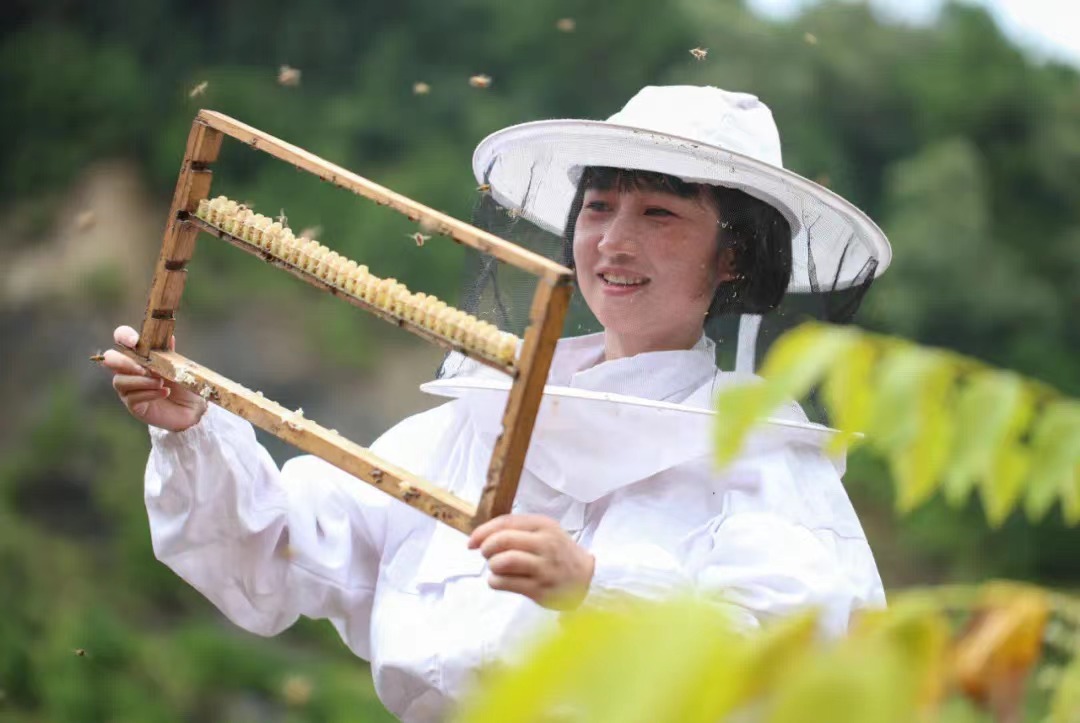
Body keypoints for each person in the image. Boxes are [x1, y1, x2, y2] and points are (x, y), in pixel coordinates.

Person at [102, 85, 891, 722]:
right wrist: (194, 430)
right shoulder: (475, 421)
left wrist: (593, 583)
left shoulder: (762, 459)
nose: (614, 241)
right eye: (597, 206)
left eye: (659, 214)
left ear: (733, 256)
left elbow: (792, 657)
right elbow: (278, 550)